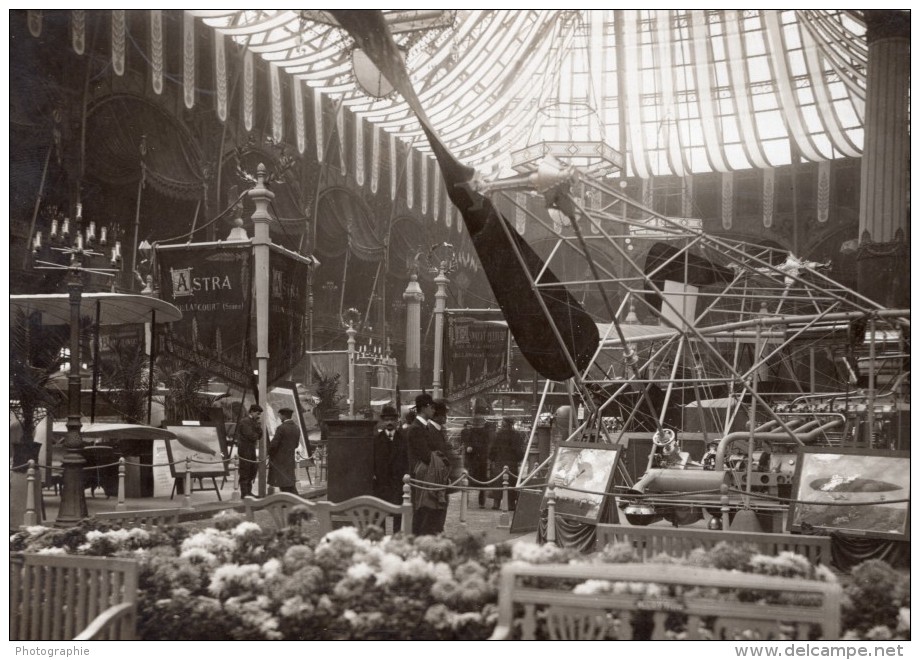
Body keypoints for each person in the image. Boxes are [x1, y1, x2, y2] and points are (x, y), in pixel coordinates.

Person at [406, 393, 452, 535]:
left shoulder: (423, 427)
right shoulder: (416, 428)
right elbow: (426, 455)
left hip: (427, 476)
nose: (433, 410)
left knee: (427, 512)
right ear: (425, 408)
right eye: (431, 407)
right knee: (422, 512)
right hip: (421, 477)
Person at [373, 404, 409, 532]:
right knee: (380, 516)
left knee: (397, 515)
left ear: (396, 421)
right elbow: (371, 461)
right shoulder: (376, 440)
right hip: (381, 484)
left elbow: (408, 460)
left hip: (398, 484)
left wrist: (406, 475)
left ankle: (395, 541)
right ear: (382, 421)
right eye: (386, 420)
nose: (389, 422)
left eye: (392, 420)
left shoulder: (404, 439)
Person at [488, 417, 525, 510]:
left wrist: (492, 459)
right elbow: (519, 451)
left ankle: (496, 503)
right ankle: (511, 504)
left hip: (499, 462)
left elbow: (492, 449)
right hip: (512, 464)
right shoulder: (516, 435)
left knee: (498, 483)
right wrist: (519, 459)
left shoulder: (498, 435)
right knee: (511, 484)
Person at [268, 407, 301, 495]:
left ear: (283, 416)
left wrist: (269, 452)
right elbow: (296, 444)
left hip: (279, 460)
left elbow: (274, 444)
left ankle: (292, 502)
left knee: (283, 484)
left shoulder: (281, 428)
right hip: (289, 458)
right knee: (288, 483)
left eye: (280, 415)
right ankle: (292, 502)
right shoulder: (296, 428)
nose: (279, 417)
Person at [460, 415, 490, 507]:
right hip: (480, 460)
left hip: (473, 460)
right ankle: (481, 503)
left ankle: (467, 501)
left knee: (468, 481)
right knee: (481, 483)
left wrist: (469, 447)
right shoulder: (485, 433)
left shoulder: (470, 432)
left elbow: (467, 445)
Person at [236, 404, 263, 498]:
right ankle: (245, 493)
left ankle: (248, 492)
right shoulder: (245, 421)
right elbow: (252, 436)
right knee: (245, 470)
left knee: (252, 470)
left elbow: (260, 435)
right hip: (245, 449)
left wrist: (258, 427)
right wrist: (257, 431)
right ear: (251, 411)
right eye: (257, 413)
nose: (258, 415)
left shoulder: (253, 422)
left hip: (250, 449)